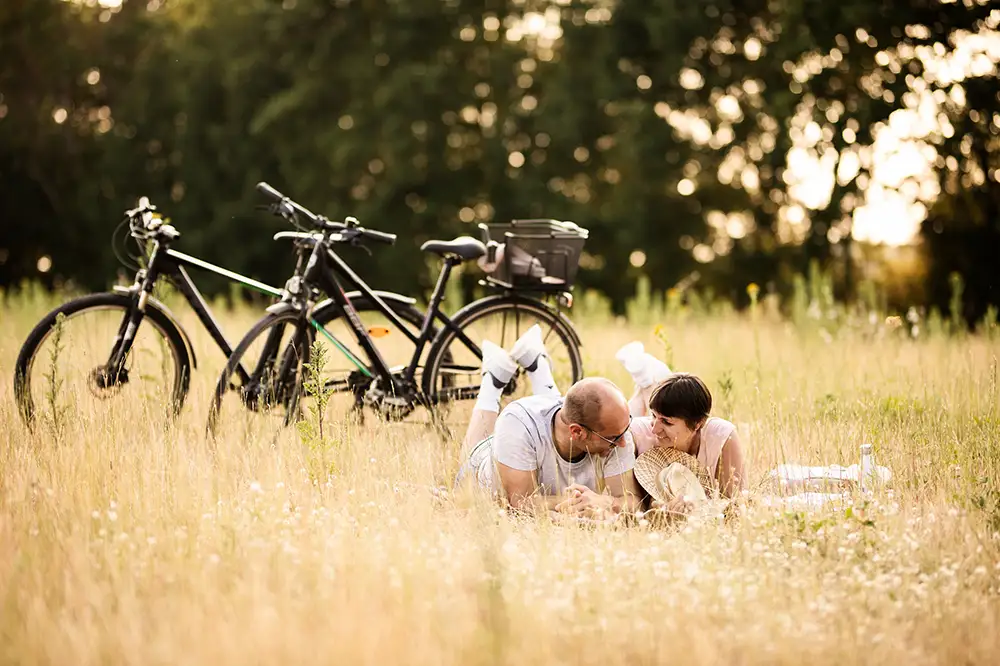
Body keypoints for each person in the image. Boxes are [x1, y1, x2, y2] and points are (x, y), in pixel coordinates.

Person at [455, 325, 643, 518]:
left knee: (566, 410)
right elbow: (520, 502)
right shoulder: (517, 424)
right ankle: (493, 379)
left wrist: (605, 501)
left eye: (624, 431)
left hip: (554, 421)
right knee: (474, 450)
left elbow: (632, 502)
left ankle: (537, 363)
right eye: (613, 438)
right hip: (484, 463)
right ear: (577, 432)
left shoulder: (617, 429)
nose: (623, 442)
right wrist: (577, 502)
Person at [616, 342, 747, 503]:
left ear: (698, 424)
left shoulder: (721, 437)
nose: (655, 430)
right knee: (632, 413)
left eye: (667, 422)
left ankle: (647, 379)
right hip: (635, 422)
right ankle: (645, 381)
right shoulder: (638, 433)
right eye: (653, 416)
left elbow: (735, 504)